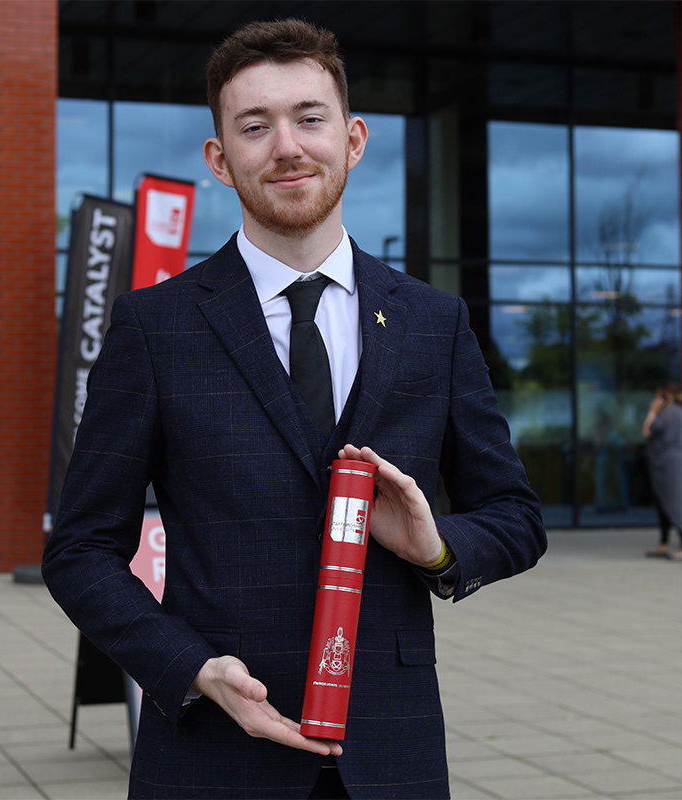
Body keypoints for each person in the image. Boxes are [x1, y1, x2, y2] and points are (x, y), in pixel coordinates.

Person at [42, 19, 546, 799]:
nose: (287, 146)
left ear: (352, 139)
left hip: (393, 750)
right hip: (213, 752)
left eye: (309, 118)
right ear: (219, 158)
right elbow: (79, 551)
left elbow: (514, 515)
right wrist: (190, 669)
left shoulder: (432, 321)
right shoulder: (155, 326)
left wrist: (437, 545)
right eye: (255, 126)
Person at [642, 382, 682, 561]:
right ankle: (663, 543)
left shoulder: (668, 413)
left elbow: (647, 431)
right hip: (669, 463)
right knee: (664, 503)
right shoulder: (678, 412)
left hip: (669, 464)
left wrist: (652, 411)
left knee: (675, 503)